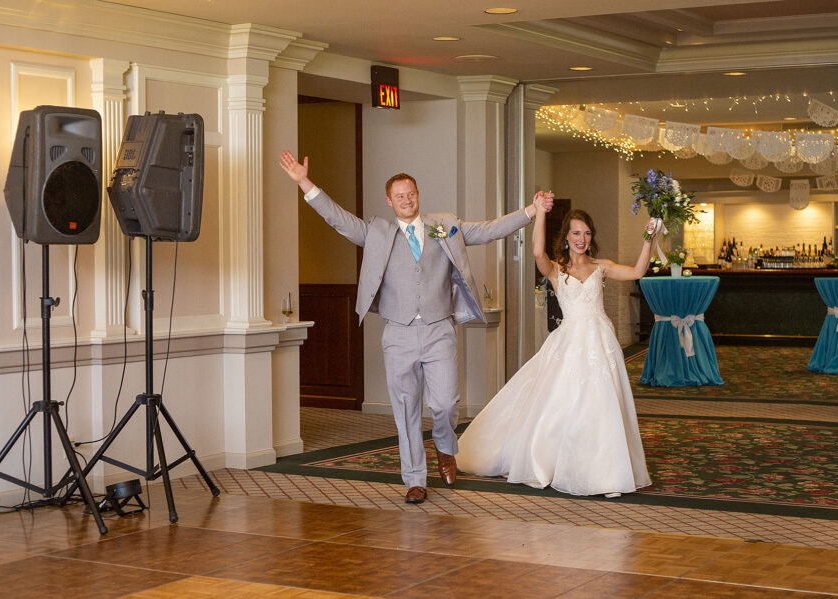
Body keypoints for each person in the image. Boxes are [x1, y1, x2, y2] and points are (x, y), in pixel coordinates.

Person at [279, 151, 552, 504]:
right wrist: (304, 182)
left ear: (418, 196)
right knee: (406, 406)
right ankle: (414, 479)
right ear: (389, 201)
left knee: (445, 403)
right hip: (399, 332)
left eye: (412, 194)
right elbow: (338, 220)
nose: (407, 200)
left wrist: (530, 211)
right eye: (400, 196)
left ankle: (444, 445)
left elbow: (486, 231)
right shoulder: (377, 232)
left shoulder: (442, 225)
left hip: (439, 330)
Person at [456, 198, 658, 496]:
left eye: (587, 233)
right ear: (566, 237)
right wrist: (539, 214)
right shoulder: (556, 269)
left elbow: (638, 272)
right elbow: (537, 252)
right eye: (576, 233)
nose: (581, 239)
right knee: (561, 402)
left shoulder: (601, 267)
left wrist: (648, 239)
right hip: (569, 341)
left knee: (601, 403)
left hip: (600, 341)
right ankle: (555, 460)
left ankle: (601, 469)